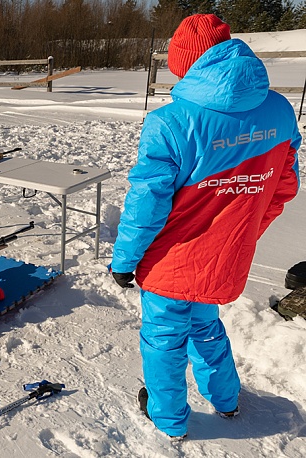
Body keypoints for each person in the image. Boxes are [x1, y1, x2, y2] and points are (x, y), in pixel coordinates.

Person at [110, 14, 301, 440]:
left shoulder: (171, 122)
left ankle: (169, 419)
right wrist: (244, 231)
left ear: (188, 63)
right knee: (205, 325)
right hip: (224, 259)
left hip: (171, 262)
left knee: (164, 339)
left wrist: (124, 260)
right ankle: (227, 400)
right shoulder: (279, 110)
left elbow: (147, 205)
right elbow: (283, 187)